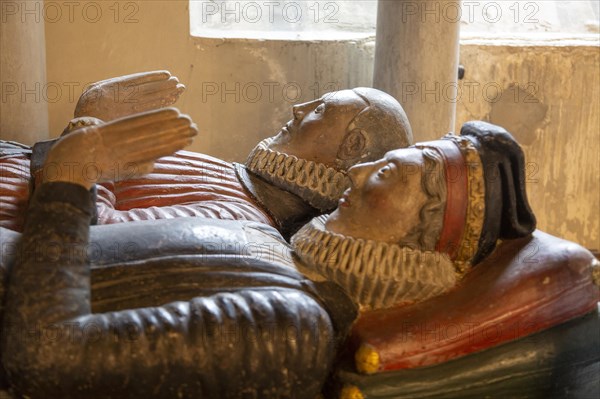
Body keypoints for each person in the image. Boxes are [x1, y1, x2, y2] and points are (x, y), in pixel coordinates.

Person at [4, 106, 572, 398]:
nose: (355, 170)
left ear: (417, 233)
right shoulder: (272, 245)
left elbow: (45, 353)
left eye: (387, 172)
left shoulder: (292, 327)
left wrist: (70, 175)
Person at [27, 71, 414, 238]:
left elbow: (85, 240)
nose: (299, 108)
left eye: (319, 110)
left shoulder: (239, 217)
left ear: (351, 149)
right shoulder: (243, 184)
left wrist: (88, 132)